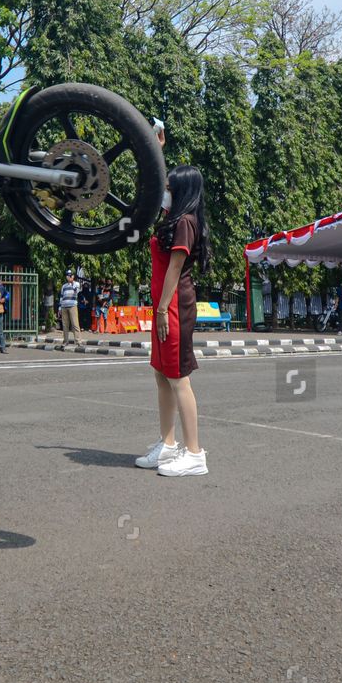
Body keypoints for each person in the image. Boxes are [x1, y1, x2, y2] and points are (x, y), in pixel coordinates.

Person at [135, 162, 211, 478]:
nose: (164, 192)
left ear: (181, 191)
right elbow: (152, 181)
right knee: (161, 374)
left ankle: (195, 454)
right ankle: (167, 444)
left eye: (169, 188)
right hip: (163, 305)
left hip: (175, 305)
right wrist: (156, 148)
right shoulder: (173, 219)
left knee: (179, 378)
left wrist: (163, 309)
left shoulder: (185, 223)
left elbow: (175, 269)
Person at [58, 271, 81, 343]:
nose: (68, 277)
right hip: (64, 306)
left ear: (73, 276)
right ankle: (65, 341)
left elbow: (76, 291)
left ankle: (78, 341)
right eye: (67, 275)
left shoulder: (76, 284)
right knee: (65, 325)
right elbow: (61, 297)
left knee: (75, 324)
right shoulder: (64, 286)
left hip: (72, 306)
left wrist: (72, 282)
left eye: (70, 275)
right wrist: (59, 308)